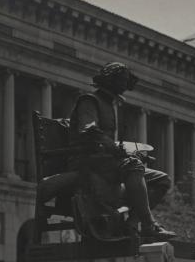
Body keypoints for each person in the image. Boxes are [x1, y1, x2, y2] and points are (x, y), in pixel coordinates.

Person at [38, 62, 175, 240]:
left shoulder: (109, 104)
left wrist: (132, 152)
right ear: (110, 80)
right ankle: (149, 225)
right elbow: (90, 131)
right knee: (133, 166)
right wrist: (120, 151)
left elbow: (107, 141)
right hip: (88, 163)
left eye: (126, 80)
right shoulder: (89, 101)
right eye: (122, 80)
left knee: (162, 180)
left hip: (107, 164)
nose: (125, 85)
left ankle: (133, 223)